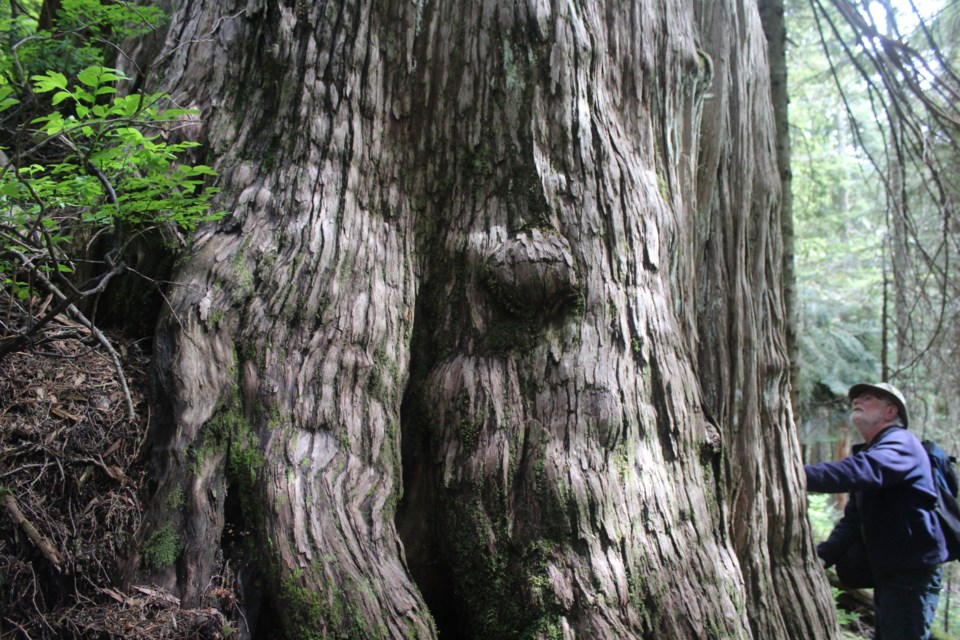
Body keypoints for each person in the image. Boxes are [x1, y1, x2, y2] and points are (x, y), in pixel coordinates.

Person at [805, 382, 947, 640]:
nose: (857, 400)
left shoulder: (901, 443)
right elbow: (853, 520)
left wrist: (795, 475)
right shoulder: (877, 453)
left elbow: (860, 470)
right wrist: (823, 557)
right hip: (891, 574)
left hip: (911, 576)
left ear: (891, 412)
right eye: (856, 398)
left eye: (868, 397)